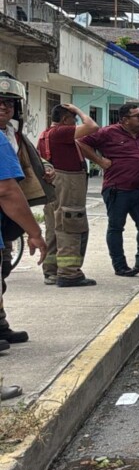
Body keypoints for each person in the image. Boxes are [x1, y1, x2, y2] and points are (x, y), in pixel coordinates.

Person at [0, 76, 49, 400]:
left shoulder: (13, 136)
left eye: (8, 103)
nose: (3, 108)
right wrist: (35, 232)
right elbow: (7, 189)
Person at [76, 104, 139, 277]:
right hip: (118, 189)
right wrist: (99, 161)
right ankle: (120, 265)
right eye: (137, 116)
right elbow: (81, 143)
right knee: (116, 227)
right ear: (124, 120)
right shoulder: (108, 132)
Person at [38, 104, 95, 287]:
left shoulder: (47, 134)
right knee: (71, 223)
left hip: (55, 184)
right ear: (65, 120)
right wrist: (78, 110)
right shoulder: (61, 132)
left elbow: (80, 145)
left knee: (54, 226)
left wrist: (100, 161)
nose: (76, 122)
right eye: (74, 119)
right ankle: (69, 273)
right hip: (68, 184)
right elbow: (92, 127)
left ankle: (51, 271)